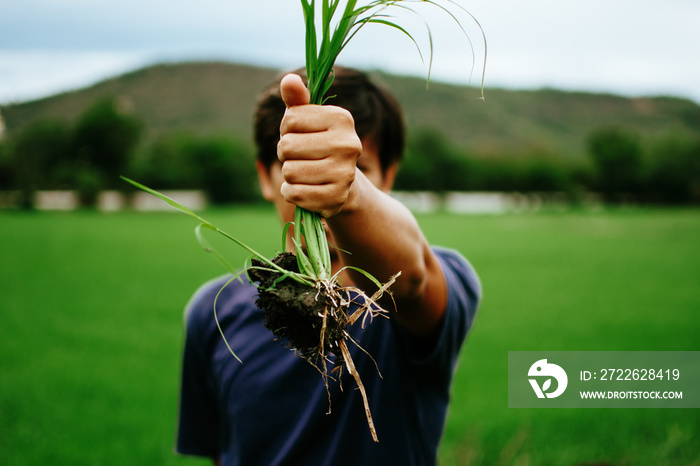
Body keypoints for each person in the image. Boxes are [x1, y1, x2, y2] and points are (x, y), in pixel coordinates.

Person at [175, 66, 482, 466]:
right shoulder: (213, 314)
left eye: (355, 166)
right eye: (296, 165)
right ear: (265, 177)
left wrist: (350, 194)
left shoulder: (411, 290)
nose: (321, 183)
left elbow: (415, 280)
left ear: (387, 176)